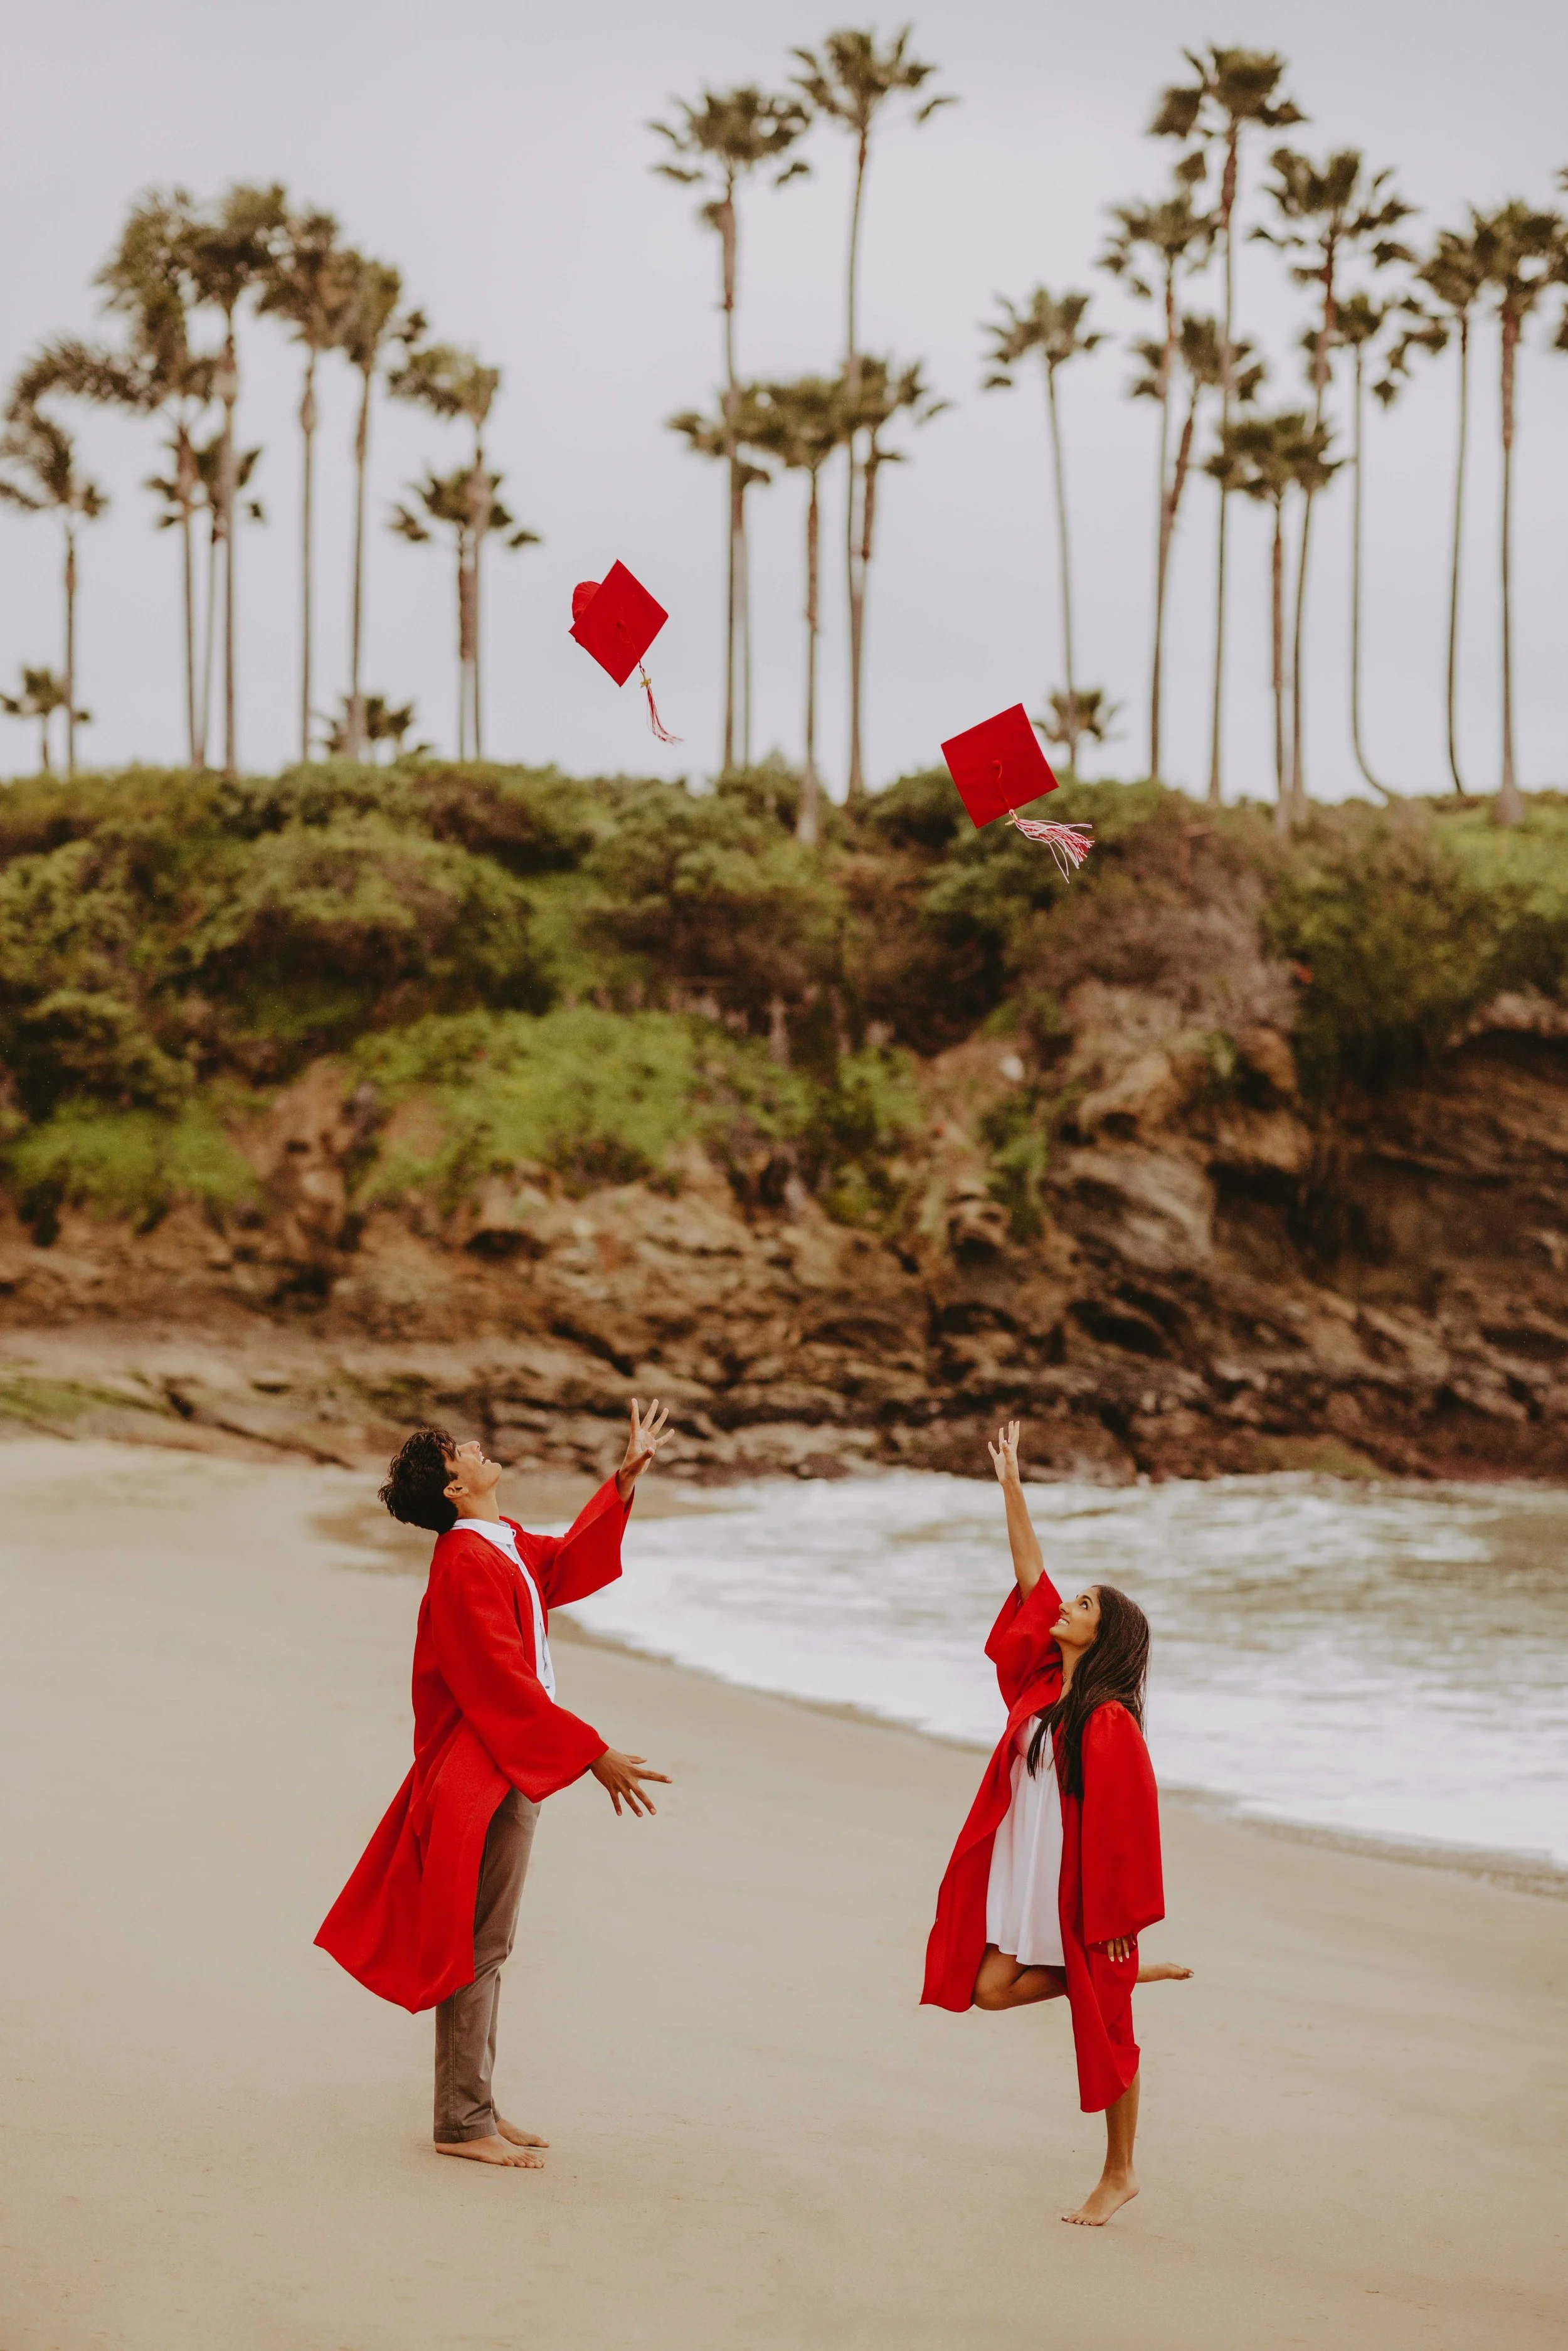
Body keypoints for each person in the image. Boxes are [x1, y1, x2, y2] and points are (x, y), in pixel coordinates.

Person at [315, 1398, 672, 2170]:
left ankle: (473, 2102)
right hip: (484, 1770)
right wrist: (593, 1753)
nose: (476, 1448)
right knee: (480, 1946)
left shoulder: (497, 1542)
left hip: (504, 1761)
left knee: (486, 1944)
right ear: (452, 1488)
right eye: (460, 1450)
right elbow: (500, 1685)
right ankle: (462, 2119)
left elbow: (566, 1562)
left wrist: (622, 1479)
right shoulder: (466, 1563)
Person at [921, 1421, 1190, 2226]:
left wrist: (1118, 1923)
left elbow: (1130, 1827)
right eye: (1074, 1600)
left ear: (1101, 1635)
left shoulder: (1108, 1721)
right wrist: (1010, 1487)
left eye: (1082, 1606)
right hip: (1027, 1865)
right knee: (989, 1988)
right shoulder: (1042, 1686)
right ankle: (1106, 1973)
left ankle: (1119, 2172)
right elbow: (1030, 1573)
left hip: (1082, 1883)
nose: (1066, 1605)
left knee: (1109, 2031)